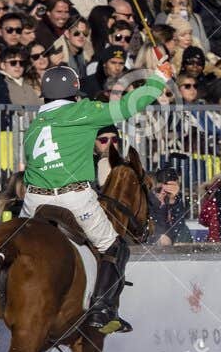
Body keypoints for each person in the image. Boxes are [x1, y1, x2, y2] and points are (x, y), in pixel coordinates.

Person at [21, 64, 166, 333]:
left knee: (14, 243)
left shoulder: (34, 125)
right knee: (115, 247)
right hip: (73, 198)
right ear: (74, 92)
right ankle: (101, 310)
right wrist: (159, 78)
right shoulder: (82, 111)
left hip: (33, 201)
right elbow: (129, 106)